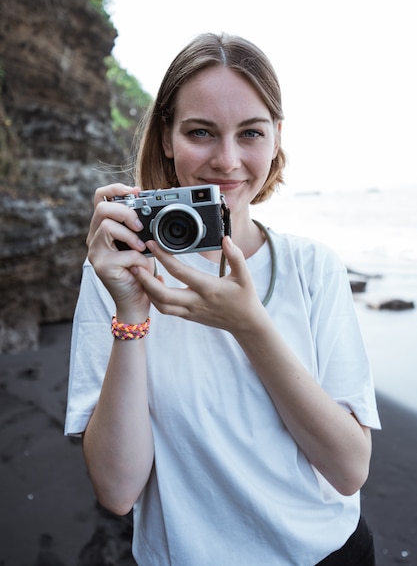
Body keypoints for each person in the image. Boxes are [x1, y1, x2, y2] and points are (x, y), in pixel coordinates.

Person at [65, 33, 381, 566]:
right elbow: (117, 492)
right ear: (166, 137)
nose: (227, 160)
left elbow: (349, 470)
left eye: (251, 133)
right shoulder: (116, 274)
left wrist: (249, 325)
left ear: (276, 138)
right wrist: (131, 313)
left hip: (330, 553)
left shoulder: (313, 268)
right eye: (201, 132)